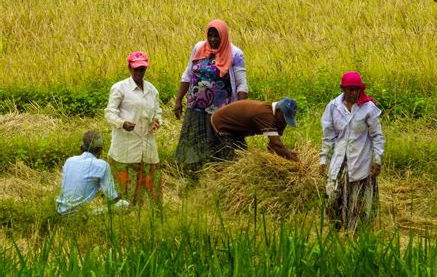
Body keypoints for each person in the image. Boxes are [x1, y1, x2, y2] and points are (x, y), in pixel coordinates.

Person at [174, 19, 248, 171]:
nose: (213, 39)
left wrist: (240, 109)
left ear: (224, 36)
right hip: (196, 107)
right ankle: (193, 172)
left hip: (221, 110)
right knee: (195, 140)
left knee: (221, 144)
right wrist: (178, 100)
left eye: (217, 36)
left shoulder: (235, 54)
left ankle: (220, 172)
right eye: (210, 35)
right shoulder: (199, 48)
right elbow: (188, 74)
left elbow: (241, 84)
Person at [320, 71, 385, 232]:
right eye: (350, 90)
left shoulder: (368, 108)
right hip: (339, 160)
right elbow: (328, 137)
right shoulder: (333, 107)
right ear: (343, 89)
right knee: (333, 198)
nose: (354, 93)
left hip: (361, 161)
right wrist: (323, 160)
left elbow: (377, 136)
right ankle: (335, 231)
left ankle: (355, 232)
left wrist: (377, 159)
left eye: (357, 89)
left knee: (358, 201)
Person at [105, 51, 163, 204]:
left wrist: (157, 121)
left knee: (151, 186)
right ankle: (126, 212)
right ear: (129, 68)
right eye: (136, 69)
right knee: (126, 190)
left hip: (147, 146)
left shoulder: (152, 90)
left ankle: (148, 215)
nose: (139, 72)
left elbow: (158, 111)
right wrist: (122, 123)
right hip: (126, 146)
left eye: (142, 69)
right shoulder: (120, 88)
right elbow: (110, 113)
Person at [56, 131, 129, 215]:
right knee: (124, 205)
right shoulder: (102, 165)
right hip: (79, 213)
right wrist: (119, 195)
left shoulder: (69, 160)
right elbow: (112, 197)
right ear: (99, 150)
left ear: (81, 147)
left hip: (60, 210)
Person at [210, 98, 299, 161]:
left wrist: (288, 154)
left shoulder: (278, 117)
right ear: (279, 110)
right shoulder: (265, 114)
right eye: (284, 118)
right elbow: (277, 145)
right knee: (230, 160)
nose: (284, 123)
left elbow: (272, 146)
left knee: (242, 157)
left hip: (238, 130)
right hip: (223, 124)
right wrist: (297, 163)